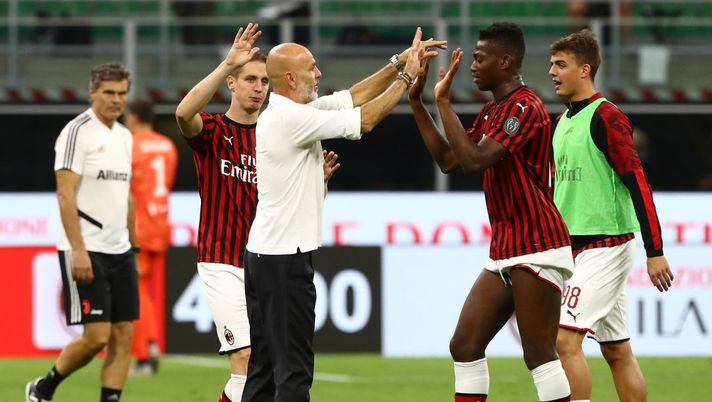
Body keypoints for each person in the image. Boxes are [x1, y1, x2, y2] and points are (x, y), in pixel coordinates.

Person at [244, 27, 444, 402]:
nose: (318, 75)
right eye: (312, 68)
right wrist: (406, 76)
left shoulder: (291, 112)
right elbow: (365, 119)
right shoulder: (291, 119)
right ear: (290, 78)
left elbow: (353, 97)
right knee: (293, 374)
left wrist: (398, 61)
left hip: (263, 257)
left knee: (264, 371)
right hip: (285, 261)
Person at [408, 22, 573, 402]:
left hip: (537, 244)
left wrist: (445, 103)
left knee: (539, 355)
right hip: (506, 249)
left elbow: (476, 160)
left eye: (479, 59)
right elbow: (450, 160)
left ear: (506, 61)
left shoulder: (526, 107)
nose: (471, 66)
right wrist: (420, 104)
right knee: (464, 345)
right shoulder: (494, 111)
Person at [548, 29, 673, 402]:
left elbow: (637, 183)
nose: (551, 72)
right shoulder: (563, 122)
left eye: (560, 65)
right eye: (551, 64)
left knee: (564, 340)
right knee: (616, 350)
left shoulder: (607, 118)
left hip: (607, 245)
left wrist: (655, 251)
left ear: (584, 70)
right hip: (575, 249)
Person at [26, 63, 138, 402]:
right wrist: (78, 250)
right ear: (92, 93)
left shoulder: (124, 136)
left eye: (121, 93)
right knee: (97, 338)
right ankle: (44, 387)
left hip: (120, 251)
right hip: (87, 248)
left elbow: (127, 195)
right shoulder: (76, 132)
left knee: (123, 335)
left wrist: (133, 245)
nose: (116, 100)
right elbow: (65, 194)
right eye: (109, 93)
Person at [174, 23, 265, 402]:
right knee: (243, 356)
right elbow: (183, 114)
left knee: (263, 366)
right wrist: (227, 63)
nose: (258, 88)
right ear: (232, 83)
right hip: (221, 261)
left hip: (264, 263)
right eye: (249, 79)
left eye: (264, 81)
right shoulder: (212, 130)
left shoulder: (273, 139)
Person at [126, 98, 178, 376]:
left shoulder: (130, 146)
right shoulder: (168, 146)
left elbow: (126, 189)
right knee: (144, 290)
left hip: (139, 228)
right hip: (161, 224)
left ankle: (146, 352)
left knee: (136, 291)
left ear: (133, 117)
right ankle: (151, 344)